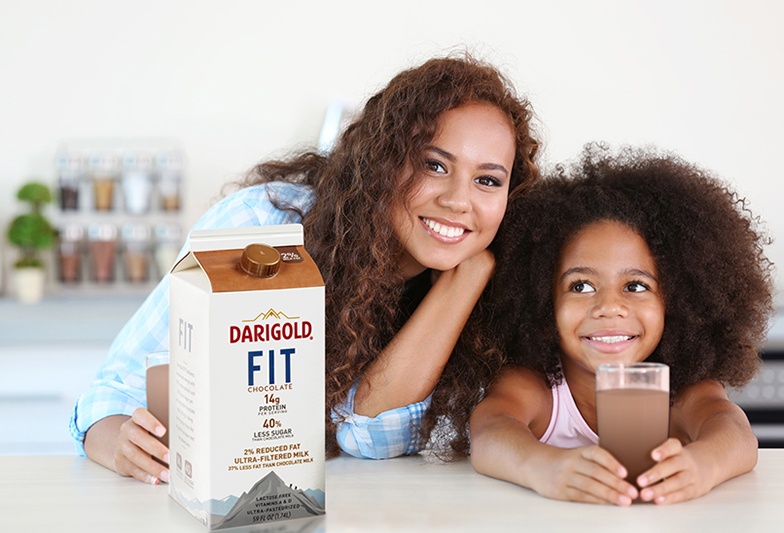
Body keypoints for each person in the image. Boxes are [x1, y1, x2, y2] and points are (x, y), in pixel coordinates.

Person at [70, 54, 541, 485]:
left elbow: (367, 435)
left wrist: (465, 280)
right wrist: (122, 446)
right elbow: (110, 395)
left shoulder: (500, 291)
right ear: (384, 162)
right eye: (434, 166)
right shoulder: (261, 228)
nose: (458, 199)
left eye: (487, 180)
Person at [470, 145, 774, 506]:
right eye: (581, 286)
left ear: (676, 303)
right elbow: (489, 430)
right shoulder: (537, 387)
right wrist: (544, 468)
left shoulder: (680, 392)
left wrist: (702, 466)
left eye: (636, 286)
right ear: (543, 304)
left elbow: (736, 433)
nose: (609, 307)